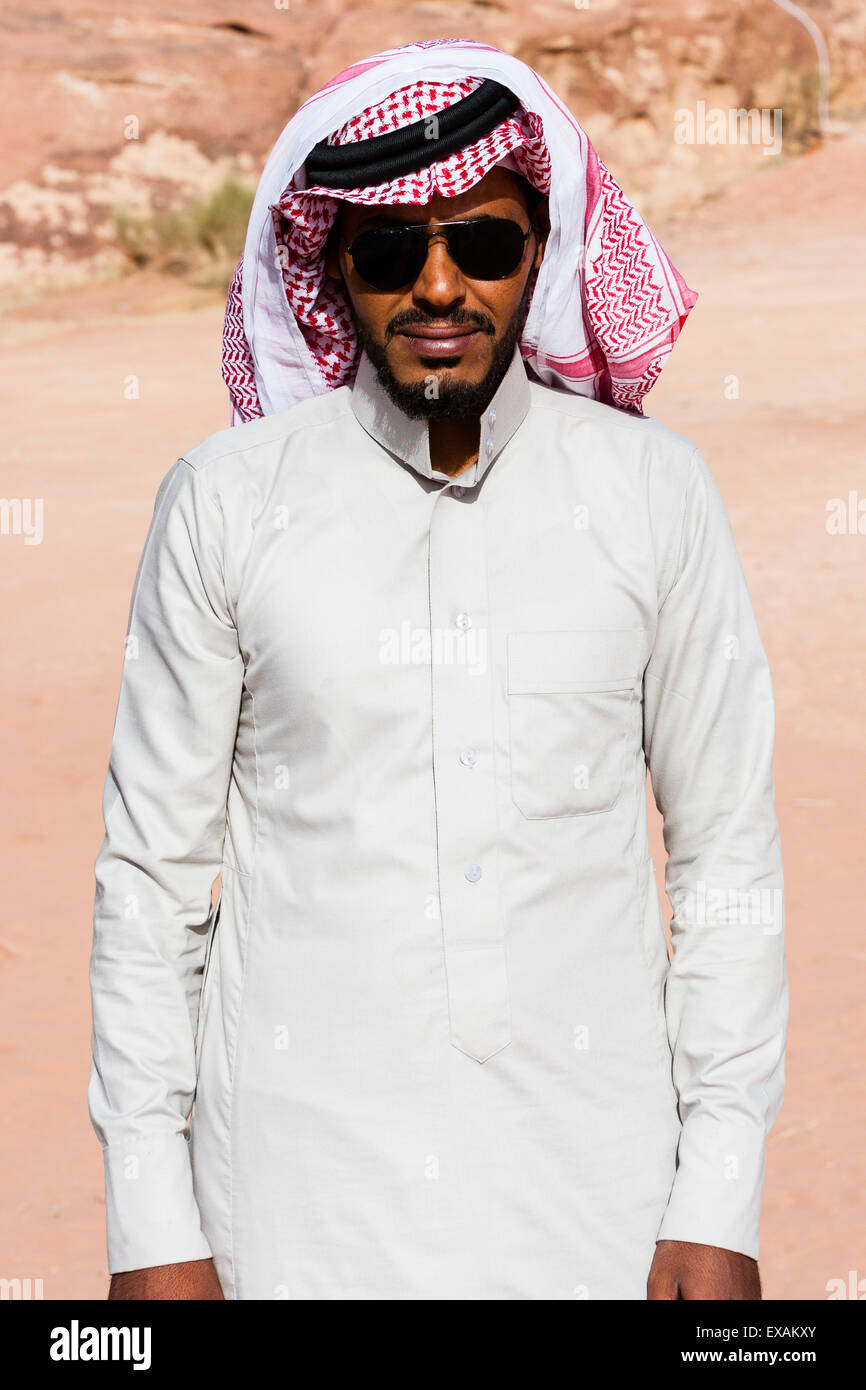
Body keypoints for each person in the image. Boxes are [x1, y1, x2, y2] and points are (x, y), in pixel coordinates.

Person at [89, 37, 788, 1301]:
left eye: (480, 242)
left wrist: (717, 1190)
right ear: (331, 267)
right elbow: (151, 882)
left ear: (539, 252)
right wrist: (151, 1224)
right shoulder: (227, 503)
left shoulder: (650, 495)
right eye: (387, 251)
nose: (437, 286)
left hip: (600, 1199)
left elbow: (724, 858)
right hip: (295, 1208)